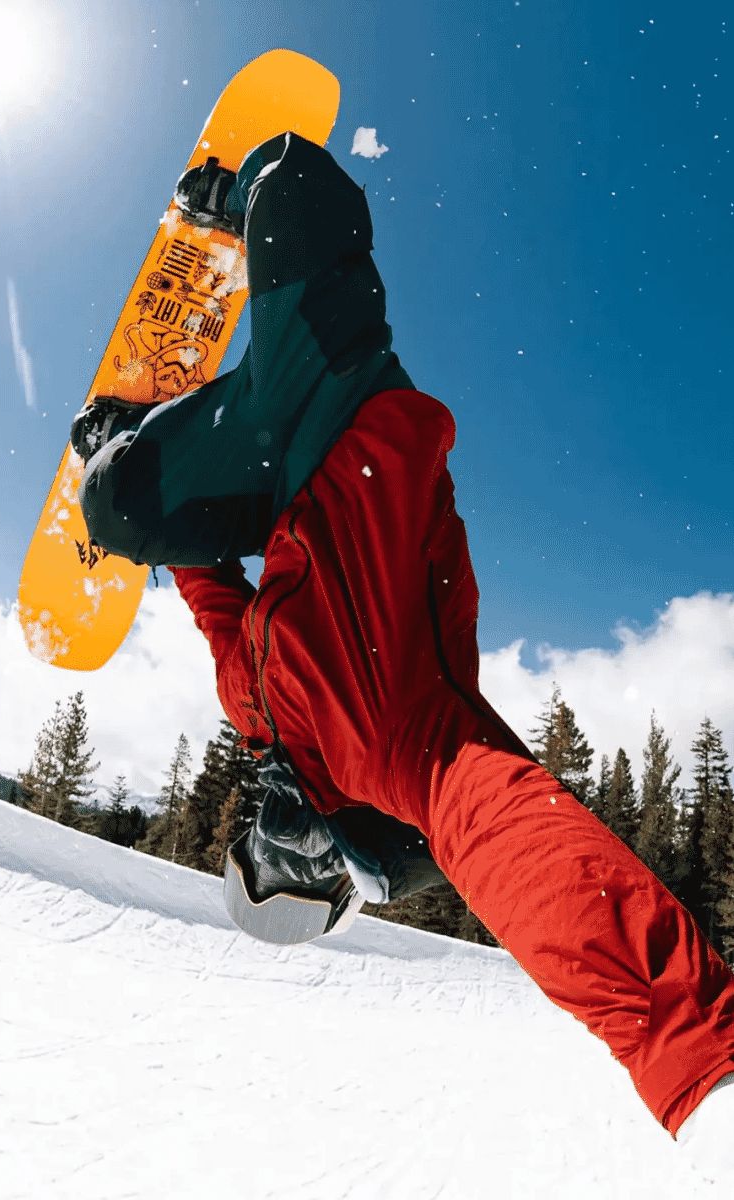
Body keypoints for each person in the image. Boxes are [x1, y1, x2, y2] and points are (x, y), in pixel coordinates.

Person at [72, 131, 734, 1170]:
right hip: (351, 411)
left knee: (113, 505)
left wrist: (131, 469)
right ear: (329, 863)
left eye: (254, 853)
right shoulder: (404, 757)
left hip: (268, 474)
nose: (265, 834)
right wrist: (696, 1067)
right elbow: (522, 848)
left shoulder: (253, 716)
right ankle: (246, 205)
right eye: (291, 865)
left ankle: (134, 432)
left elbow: (206, 590)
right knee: (304, 188)